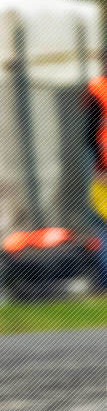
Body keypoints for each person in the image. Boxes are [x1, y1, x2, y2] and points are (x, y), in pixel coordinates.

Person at [85, 75, 107, 285]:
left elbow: (89, 134)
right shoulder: (98, 89)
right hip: (103, 169)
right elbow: (90, 134)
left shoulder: (98, 89)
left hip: (102, 169)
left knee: (103, 228)